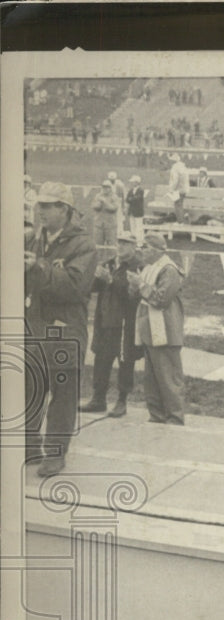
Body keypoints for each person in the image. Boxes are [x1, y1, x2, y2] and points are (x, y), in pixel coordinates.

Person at [24, 181, 98, 476]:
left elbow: (75, 286)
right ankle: (30, 446)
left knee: (64, 391)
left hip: (66, 330)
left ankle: (56, 454)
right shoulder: (31, 239)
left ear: (64, 210)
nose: (40, 210)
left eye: (47, 206)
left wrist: (38, 268)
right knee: (29, 386)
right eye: (39, 205)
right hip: (34, 324)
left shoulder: (84, 244)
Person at [79, 232, 143, 418]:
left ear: (134, 247)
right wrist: (95, 278)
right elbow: (92, 288)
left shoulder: (138, 267)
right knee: (101, 361)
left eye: (126, 243)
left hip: (124, 324)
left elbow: (132, 297)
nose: (121, 246)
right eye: (119, 243)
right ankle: (98, 399)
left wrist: (110, 280)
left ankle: (122, 401)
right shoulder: (108, 263)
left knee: (125, 363)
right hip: (104, 322)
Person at [127, 233, 185, 425]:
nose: (141, 252)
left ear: (156, 250)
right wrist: (133, 286)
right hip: (149, 329)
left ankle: (175, 418)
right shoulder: (150, 268)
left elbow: (161, 300)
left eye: (145, 248)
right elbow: (138, 296)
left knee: (168, 378)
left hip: (165, 330)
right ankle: (157, 416)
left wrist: (140, 284)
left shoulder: (169, 270)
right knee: (152, 379)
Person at [92, 180, 120, 247]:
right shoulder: (98, 196)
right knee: (97, 245)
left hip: (110, 225)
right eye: (104, 187)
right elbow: (94, 206)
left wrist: (105, 202)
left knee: (111, 245)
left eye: (107, 187)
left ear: (110, 188)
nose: (105, 189)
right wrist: (99, 202)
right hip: (99, 224)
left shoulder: (114, 197)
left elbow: (113, 208)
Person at [167, 152, 190, 223]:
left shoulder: (175, 168)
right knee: (180, 205)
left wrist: (171, 189)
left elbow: (175, 180)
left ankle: (180, 221)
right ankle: (181, 220)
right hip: (183, 189)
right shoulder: (182, 167)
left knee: (177, 205)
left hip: (177, 190)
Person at [125, 175, 145, 243]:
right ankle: (133, 237)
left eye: (133, 182)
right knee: (132, 225)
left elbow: (138, 198)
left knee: (139, 226)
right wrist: (131, 199)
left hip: (138, 211)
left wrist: (131, 199)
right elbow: (127, 199)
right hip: (132, 211)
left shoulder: (141, 190)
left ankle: (140, 239)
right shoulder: (131, 190)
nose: (132, 183)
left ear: (137, 182)